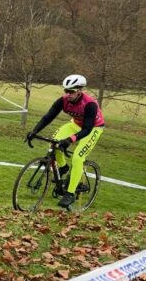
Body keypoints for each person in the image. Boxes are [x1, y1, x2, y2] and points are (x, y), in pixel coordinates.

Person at [26, 74, 105, 208]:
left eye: (71, 91)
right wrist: (34, 131)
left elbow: (86, 129)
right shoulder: (62, 101)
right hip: (75, 124)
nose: (68, 94)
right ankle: (63, 168)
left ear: (80, 90)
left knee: (78, 157)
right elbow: (48, 117)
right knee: (54, 142)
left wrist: (70, 140)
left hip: (93, 128)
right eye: (66, 91)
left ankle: (70, 193)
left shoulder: (90, 104)